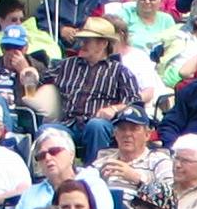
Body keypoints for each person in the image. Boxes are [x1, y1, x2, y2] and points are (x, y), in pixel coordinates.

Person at [44, 16, 143, 159]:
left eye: (87, 41)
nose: (81, 44)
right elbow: (41, 78)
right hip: (68, 123)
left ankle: (95, 172)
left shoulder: (119, 71)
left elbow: (135, 102)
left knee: (96, 126)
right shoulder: (66, 65)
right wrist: (28, 70)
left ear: (102, 44)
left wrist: (114, 109)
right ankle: (57, 177)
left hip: (99, 125)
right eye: (82, 40)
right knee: (47, 130)